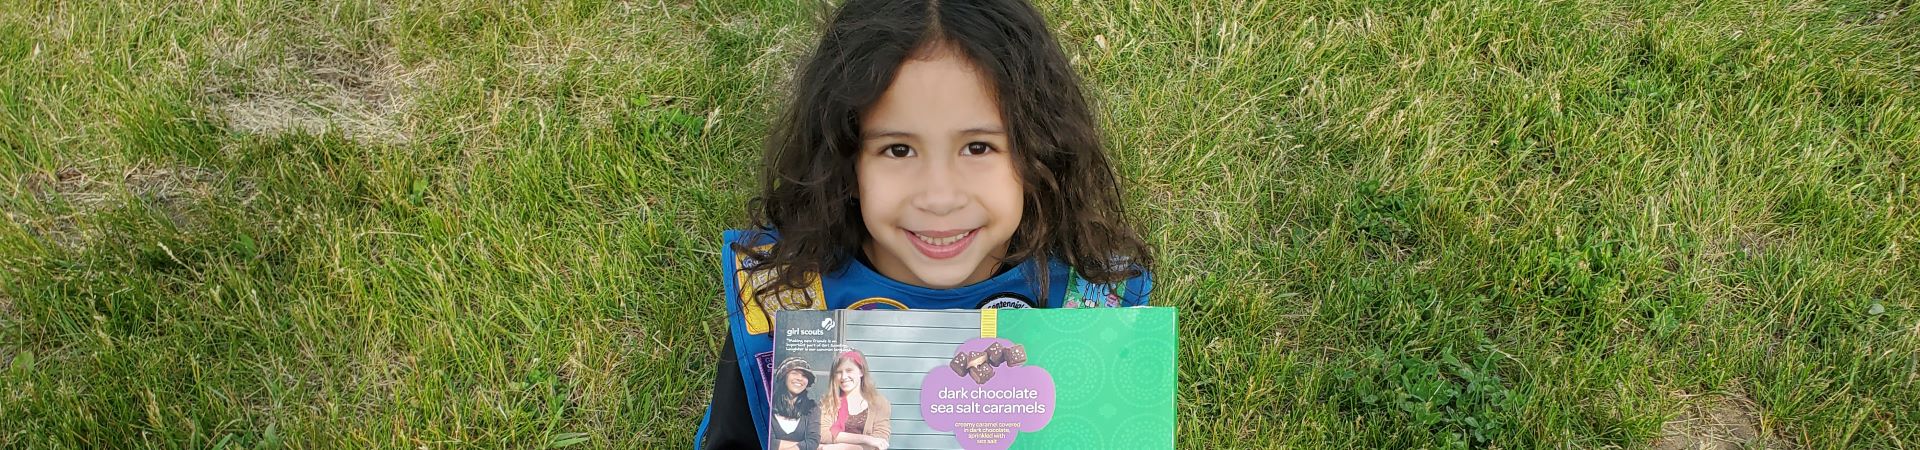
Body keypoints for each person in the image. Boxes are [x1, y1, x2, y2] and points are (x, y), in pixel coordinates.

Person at [695, 0, 1157, 447]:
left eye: (978, 147)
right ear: (846, 162)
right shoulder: (789, 304)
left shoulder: (1089, 305)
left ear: (1037, 154)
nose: (939, 197)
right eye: (898, 149)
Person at [818, 351, 890, 450]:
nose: (843, 377)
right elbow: (823, 434)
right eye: (839, 372)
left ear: (861, 371)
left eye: (849, 370)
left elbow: (880, 440)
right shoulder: (828, 402)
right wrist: (866, 439)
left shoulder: (878, 403)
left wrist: (838, 447)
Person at [769, 357, 821, 450]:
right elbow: (768, 441)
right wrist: (804, 446)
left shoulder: (812, 408)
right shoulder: (768, 405)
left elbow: (813, 441)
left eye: (804, 375)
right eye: (794, 373)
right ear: (783, 377)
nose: (800, 378)